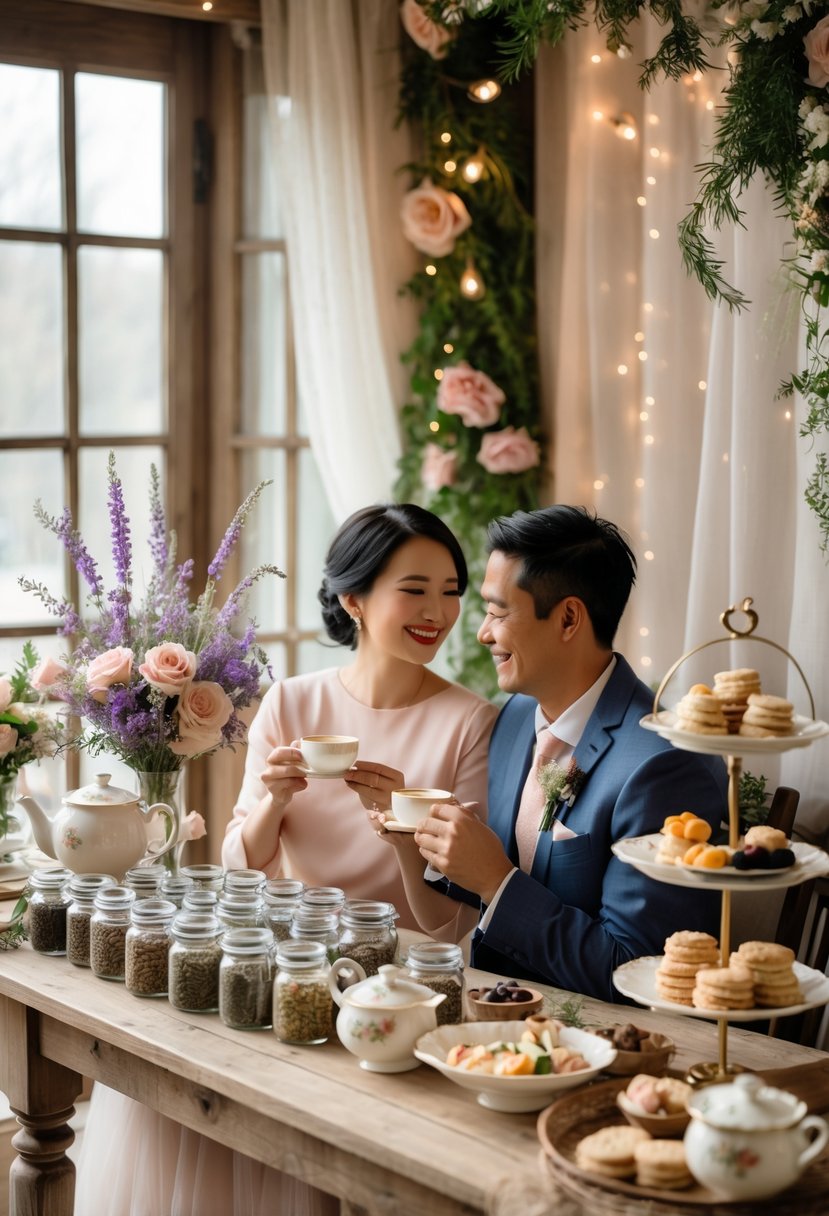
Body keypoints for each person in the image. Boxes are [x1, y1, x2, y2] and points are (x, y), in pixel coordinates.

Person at [75, 503, 497, 1216]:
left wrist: (401, 837)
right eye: (415, 589)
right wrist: (271, 801)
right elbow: (242, 873)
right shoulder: (293, 703)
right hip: (276, 972)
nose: (439, 611)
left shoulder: (471, 721)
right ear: (353, 599)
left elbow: (449, 920)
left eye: (452, 590)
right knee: (170, 1083)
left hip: (391, 992)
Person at [372, 505, 727, 1003]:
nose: (483, 632)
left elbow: (637, 973)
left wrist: (497, 879)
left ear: (567, 618)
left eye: (498, 612)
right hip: (493, 1014)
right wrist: (426, 843)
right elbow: (505, 886)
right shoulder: (516, 716)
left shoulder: (664, 764)